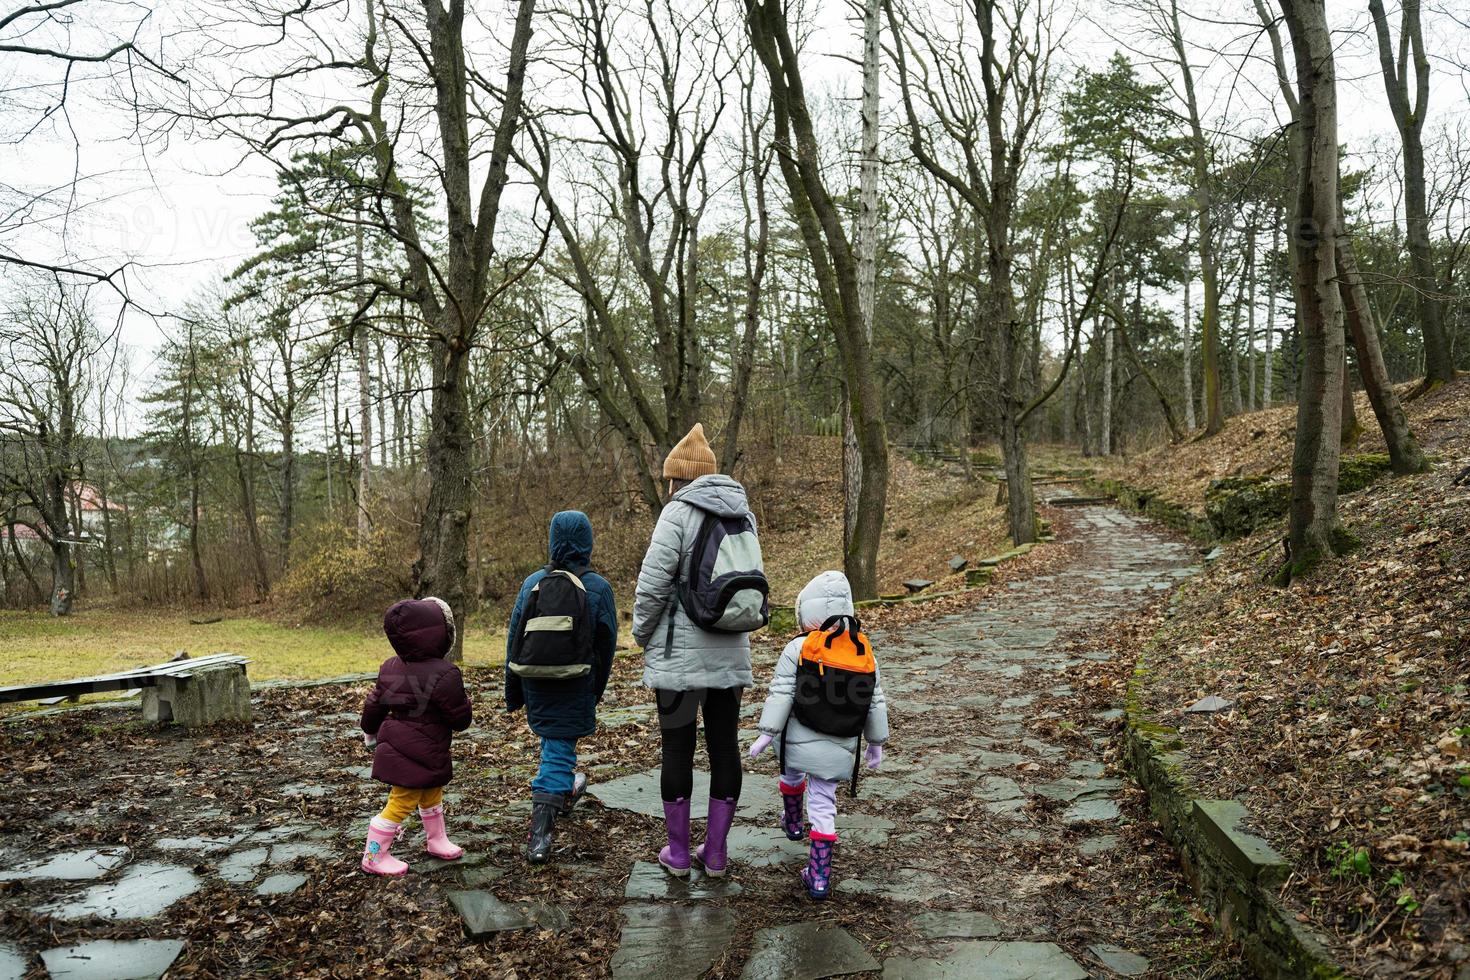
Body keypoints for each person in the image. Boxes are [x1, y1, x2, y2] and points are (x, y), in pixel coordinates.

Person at [633, 423, 762, 878]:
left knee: (677, 748)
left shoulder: (675, 514)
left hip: (678, 660)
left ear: (677, 478)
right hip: (729, 652)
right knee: (726, 746)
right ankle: (718, 853)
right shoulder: (743, 514)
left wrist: (641, 634)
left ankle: (680, 854)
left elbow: (651, 587)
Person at [749, 570, 889, 899]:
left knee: (792, 770)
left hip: (797, 737)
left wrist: (767, 733)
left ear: (806, 611)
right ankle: (820, 876)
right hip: (840, 742)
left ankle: (794, 821)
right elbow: (875, 699)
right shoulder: (862, 650)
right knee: (824, 804)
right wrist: (877, 742)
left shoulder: (798, 647)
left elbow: (781, 693)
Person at [505, 511, 618, 864]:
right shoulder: (598, 587)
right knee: (557, 750)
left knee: (555, 744)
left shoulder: (532, 583)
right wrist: (594, 690)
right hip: (576, 679)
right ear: (588, 543)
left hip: (535, 679)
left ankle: (566, 788)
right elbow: (607, 644)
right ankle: (540, 836)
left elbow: (514, 639)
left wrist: (515, 690)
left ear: (552, 541)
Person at [359, 597, 474, 876]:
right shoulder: (445, 673)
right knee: (401, 802)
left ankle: (437, 839)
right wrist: (466, 704)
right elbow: (460, 720)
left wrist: (369, 729)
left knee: (432, 792)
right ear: (439, 633)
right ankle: (373, 855)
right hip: (419, 751)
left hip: (412, 747)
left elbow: (375, 703)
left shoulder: (390, 667)